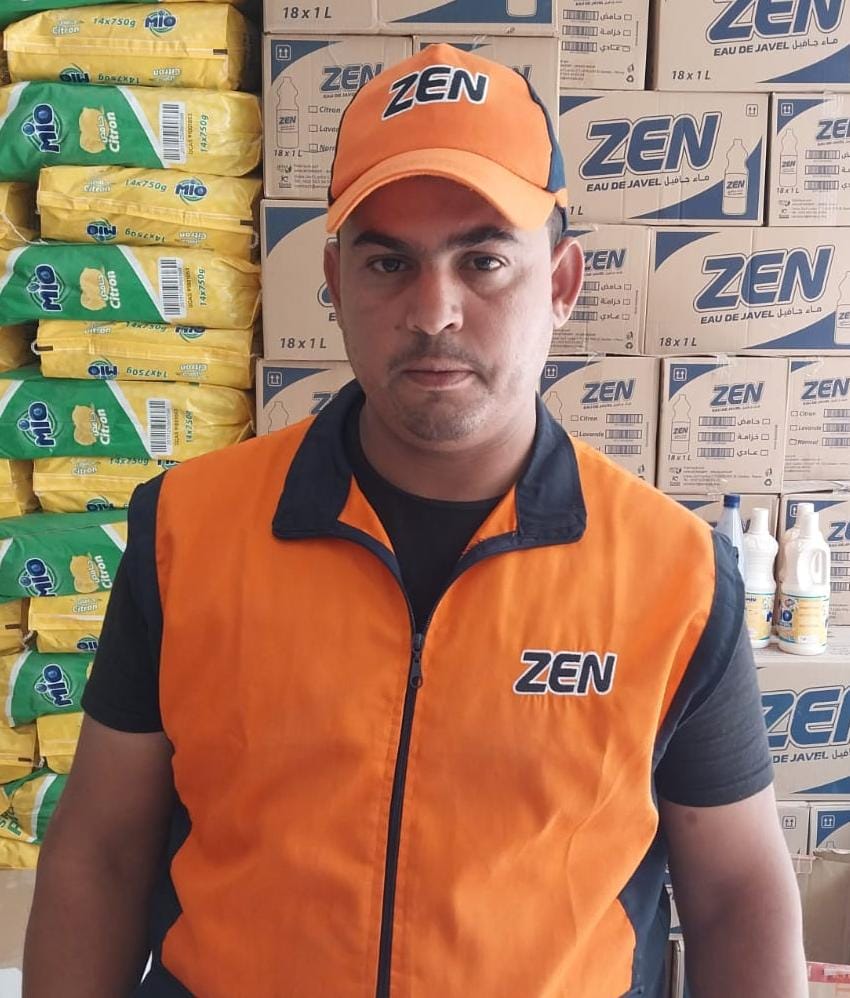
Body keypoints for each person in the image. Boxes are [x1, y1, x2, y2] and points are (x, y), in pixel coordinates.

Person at [23, 44, 806, 997]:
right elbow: (102, 851)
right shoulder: (188, 530)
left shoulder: (674, 575)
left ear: (561, 284)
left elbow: (736, 895)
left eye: (484, 261)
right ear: (334, 280)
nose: (434, 311)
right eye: (388, 261)